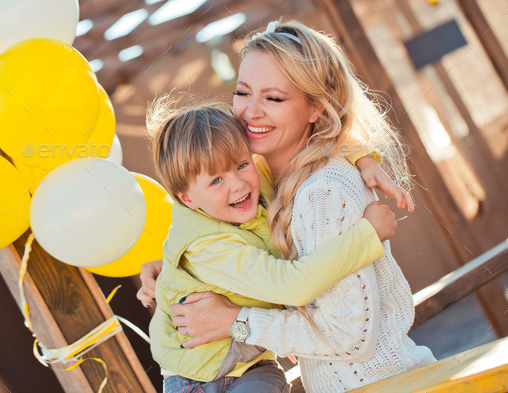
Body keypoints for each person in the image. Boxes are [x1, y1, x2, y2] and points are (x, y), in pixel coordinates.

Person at [140, 20, 435, 392]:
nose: (250, 112)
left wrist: (236, 321)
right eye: (243, 92)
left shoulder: (319, 193)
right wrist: (170, 267)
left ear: (316, 107)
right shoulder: (263, 175)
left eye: (273, 98)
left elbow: (347, 338)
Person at [147, 99, 398, 393]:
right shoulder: (206, 247)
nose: (238, 184)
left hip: (253, 367)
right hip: (194, 379)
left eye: (242, 165)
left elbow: (309, 149)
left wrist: (362, 157)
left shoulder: (256, 182)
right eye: (216, 180)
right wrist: (368, 234)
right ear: (187, 199)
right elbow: (292, 285)